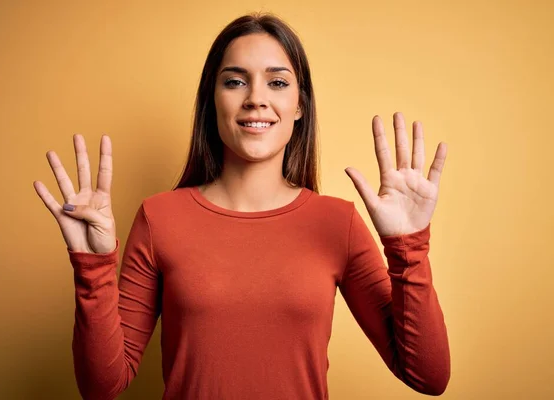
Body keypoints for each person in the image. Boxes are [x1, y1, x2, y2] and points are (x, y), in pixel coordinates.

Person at [33, 12, 450, 400]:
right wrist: (93, 265)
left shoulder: (336, 223)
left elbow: (427, 376)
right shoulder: (160, 217)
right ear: (212, 100)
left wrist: (409, 247)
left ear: (300, 105)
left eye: (278, 82)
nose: (255, 98)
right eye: (234, 81)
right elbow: (102, 386)